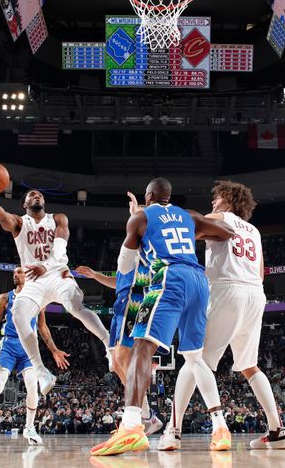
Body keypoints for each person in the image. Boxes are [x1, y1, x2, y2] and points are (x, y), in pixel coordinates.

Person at [90, 177, 234, 456]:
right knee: (194, 358)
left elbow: (124, 266)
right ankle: (220, 427)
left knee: (142, 347)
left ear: (148, 196)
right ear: (168, 196)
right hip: (198, 281)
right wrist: (190, 235)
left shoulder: (140, 218)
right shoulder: (188, 215)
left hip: (169, 278)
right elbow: (227, 231)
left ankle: (131, 425)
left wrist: (139, 234)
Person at [158, 180, 285, 451]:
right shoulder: (254, 230)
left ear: (228, 200)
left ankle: (174, 431)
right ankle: (277, 431)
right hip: (255, 293)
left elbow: (185, 230)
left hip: (225, 289)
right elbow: (261, 271)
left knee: (195, 360)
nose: (212, 203)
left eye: (216, 198)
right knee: (249, 365)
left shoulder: (219, 217)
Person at [0, 185, 110, 395]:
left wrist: (45, 266)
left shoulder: (58, 218)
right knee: (19, 314)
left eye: (40, 194)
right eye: (32, 194)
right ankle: (41, 372)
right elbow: (2, 216)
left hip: (57, 274)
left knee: (74, 306)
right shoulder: (20, 223)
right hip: (33, 282)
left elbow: (59, 250)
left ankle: (108, 344)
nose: (37, 195)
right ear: (24, 204)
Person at [75, 192, 162, 436]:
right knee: (115, 364)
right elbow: (119, 281)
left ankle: (139, 417)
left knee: (124, 359)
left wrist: (137, 213)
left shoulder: (146, 245)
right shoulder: (131, 250)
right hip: (122, 303)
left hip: (134, 302)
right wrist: (94, 275)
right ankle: (145, 415)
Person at [0, 266, 69, 447]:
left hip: (29, 347)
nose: (15, 275)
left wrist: (54, 350)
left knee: (32, 388)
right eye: (13, 273)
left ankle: (29, 428)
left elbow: (43, 328)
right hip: (9, 345)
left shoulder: (38, 298)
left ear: (27, 276)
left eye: (18, 272)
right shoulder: (5, 298)